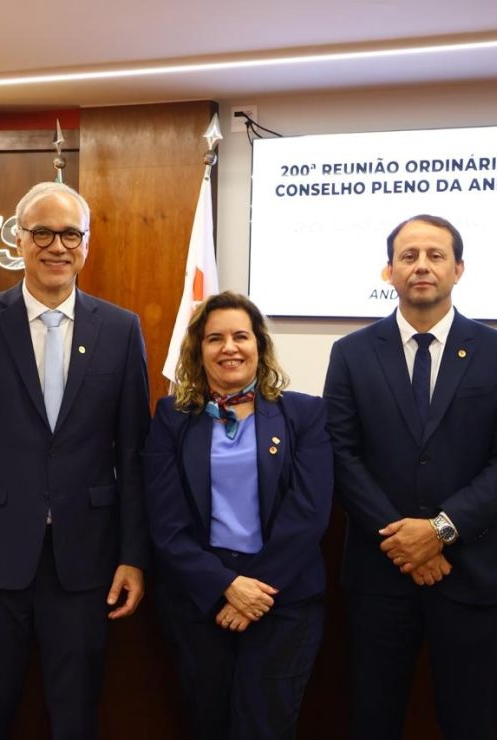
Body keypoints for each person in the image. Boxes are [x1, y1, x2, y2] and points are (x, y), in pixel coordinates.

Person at [0, 181, 151, 740]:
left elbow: (135, 453)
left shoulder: (121, 330)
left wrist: (133, 555)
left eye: (70, 233)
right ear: (19, 240)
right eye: (42, 232)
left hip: (86, 563)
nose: (57, 245)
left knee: (76, 718)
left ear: (87, 245)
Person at [323, 214, 497, 740]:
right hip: (380, 574)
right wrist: (403, 542)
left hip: (471, 572)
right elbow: (341, 455)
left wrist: (437, 531)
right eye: (408, 256)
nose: (421, 266)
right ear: (388, 271)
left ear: (458, 269)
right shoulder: (350, 354)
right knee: (373, 717)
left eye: (435, 256)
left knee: (470, 720)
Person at [143, 291, 332, 740]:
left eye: (240, 336)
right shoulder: (172, 417)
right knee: (207, 723)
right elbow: (165, 523)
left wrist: (254, 591)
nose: (229, 347)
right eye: (215, 338)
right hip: (201, 601)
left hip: (283, 601)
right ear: (198, 350)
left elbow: (308, 513)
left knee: (264, 727)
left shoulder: (303, 414)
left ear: (260, 346)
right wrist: (225, 586)